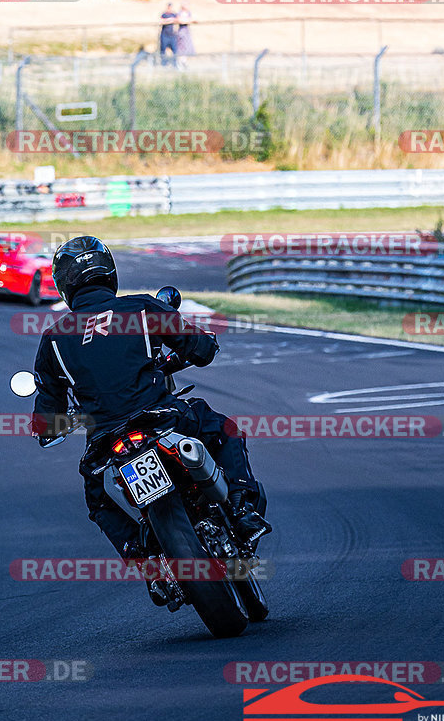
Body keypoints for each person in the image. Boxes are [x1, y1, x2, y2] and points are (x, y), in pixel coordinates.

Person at [31, 237, 270, 602]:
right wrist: (200, 347)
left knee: (97, 500)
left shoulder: (53, 340)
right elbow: (201, 349)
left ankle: (148, 565)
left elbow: (48, 415)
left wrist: (48, 429)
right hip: (162, 417)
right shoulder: (141, 309)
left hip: (106, 440)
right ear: (109, 274)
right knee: (225, 429)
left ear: (65, 285)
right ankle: (241, 508)